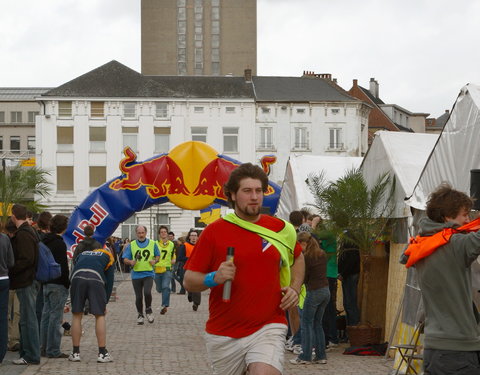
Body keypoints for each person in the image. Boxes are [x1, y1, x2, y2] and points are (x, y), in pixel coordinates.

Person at [184, 162, 304, 375]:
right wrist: (214, 277)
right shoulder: (213, 232)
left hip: (269, 325)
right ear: (231, 195)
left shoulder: (280, 229)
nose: (255, 196)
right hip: (224, 333)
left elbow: (298, 257)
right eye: (247, 191)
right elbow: (189, 280)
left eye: (259, 191)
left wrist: (294, 288)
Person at [404, 184, 480, 374]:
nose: (468, 220)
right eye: (464, 215)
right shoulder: (456, 245)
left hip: (434, 347)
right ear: (448, 216)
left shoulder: (422, 246)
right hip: (457, 350)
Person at [69, 248, 115, 363]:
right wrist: (105, 302)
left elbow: (74, 268)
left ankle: (75, 353)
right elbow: (109, 282)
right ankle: (102, 353)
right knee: (99, 315)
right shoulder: (109, 257)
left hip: (77, 277)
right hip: (96, 278)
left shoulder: (83, 253)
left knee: (76, 314)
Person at [290, 231, 329, 365]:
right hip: (325, 291)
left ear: (303, 243)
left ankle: (305, 356)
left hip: (314, 292)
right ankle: (321, 356)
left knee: (306, 324)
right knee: (317, 324)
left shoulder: (306, 257)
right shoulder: (321, 254)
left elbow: (303, 276)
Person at [9, 204, 40, 365]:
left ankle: (31, 355)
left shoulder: (23, 234)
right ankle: (27, 353)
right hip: (27, 280)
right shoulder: (30, 231)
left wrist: (11, 270)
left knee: (28, 319)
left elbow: (27, 259)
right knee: (26, 319)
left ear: (14, 216)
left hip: (26, 280)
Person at [40, 214, 70, 358]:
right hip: (58, 283)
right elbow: (63, 266)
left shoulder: (44, 241)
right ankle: (53, 350)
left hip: (46, 282)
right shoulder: (60, 243)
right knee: (55, 317)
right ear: (63, 227)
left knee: (46, 316)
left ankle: (43, 347)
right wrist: (67, 282)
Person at [122, 225, 160, 324]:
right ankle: (140, 314)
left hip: (148, 273)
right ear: (136, 233)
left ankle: (148, 310)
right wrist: (130, 262)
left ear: (146, 233)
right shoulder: (132, 244)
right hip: (136, 274)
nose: (141, 235)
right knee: (138, 296)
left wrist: (155, 261)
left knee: (147, 292)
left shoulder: (152, 243)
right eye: (139, 233)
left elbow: (158, 255)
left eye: (143, 233)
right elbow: (125, 259)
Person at [337, 236, 360, 327]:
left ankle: (353, 327)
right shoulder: (346, 239)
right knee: (347, 303)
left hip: (350, 275)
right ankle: (350, 328)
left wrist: (343, 274)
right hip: (347, 274)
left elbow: (351, 260)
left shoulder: (350, 240)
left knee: (350, 303)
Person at [0, 222, 14, 364]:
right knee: (3, 317)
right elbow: (11, 262)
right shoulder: (5, 239)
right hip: (4, 279)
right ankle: (1, 352)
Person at [154, 225, 176, 315]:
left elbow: (173, 255)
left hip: (167, 269)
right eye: (161, 232)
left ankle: (165, 305)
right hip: (156, 269)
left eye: (165, 232)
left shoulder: (171, 244)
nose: (163, 233)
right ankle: (164, 299)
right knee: (159, 289)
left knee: (166, 287)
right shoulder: (155, 244)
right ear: (159, 234)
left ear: (167, 234)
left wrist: (174, 260)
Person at [180, 230, 201, 311]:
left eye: (195, 235)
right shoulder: (184, 246)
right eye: (192, 235)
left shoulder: (200, 245)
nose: (193, 237)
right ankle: (190, 294)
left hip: (198, 269)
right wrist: (190, 259)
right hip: (187, 268)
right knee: (188, 285)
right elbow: (180, 258)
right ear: (189, 237)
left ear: (198, 237)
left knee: (197, 286)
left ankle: (196, 303)